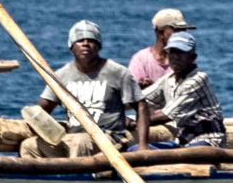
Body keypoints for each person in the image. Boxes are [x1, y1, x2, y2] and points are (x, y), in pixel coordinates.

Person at [21, 20, 144, 158]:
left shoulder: (117, 72)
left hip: (109, 138)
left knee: (79, 142)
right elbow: (43, 109)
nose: (85, 43)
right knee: (29, 145)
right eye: (80, 40)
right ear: (71, 47)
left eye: (91, 40)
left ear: (99, 46)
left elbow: (141, 106)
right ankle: (38, 178)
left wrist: (142, 145)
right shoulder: (61, 76)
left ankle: (77, 177)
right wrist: (33, 116)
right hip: (73, 136)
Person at [134, 31, 226, 149]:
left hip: (208, 141)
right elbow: (141, 100)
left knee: (190, 154)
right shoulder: (168, 79)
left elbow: (166, 115)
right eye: (172, 52)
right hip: (184, 142)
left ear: (192, 57)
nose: (175, 57)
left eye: (181, 53)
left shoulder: (198, 79)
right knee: (132, 149)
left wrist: (136, 123)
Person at [130, 9, 196, 88]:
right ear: (161, 33)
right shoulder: (141, 60)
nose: (182, 35)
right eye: (177, 30)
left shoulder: (184, 59)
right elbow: (131, 93)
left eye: (184, 30)